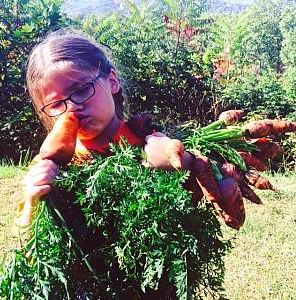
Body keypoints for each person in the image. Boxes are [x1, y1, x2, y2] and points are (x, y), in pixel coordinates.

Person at [14, 29, 194, 299]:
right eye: (56, 104)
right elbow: (30, 250)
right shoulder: (52, 168)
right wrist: (32, 201)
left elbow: (194, 208)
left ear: (112, 80)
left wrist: (179, 161)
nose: (73, 108)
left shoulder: (150, 140)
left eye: (81, 90)